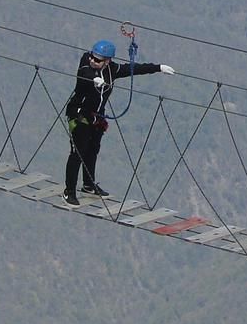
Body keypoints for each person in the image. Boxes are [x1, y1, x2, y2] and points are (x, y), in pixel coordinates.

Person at [63, 39, 173, 206]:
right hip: (79, 115)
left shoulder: (112, 70)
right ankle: (69, 191)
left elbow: (134, 69)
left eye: (98, 60)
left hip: (97, 117)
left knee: (92, 150)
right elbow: (85, 72)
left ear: (108, 61)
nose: (93, 61)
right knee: (78, 153)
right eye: (93, 57)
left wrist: (158, 68)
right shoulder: (86, 62)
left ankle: (88, 185)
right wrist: (94, 79)